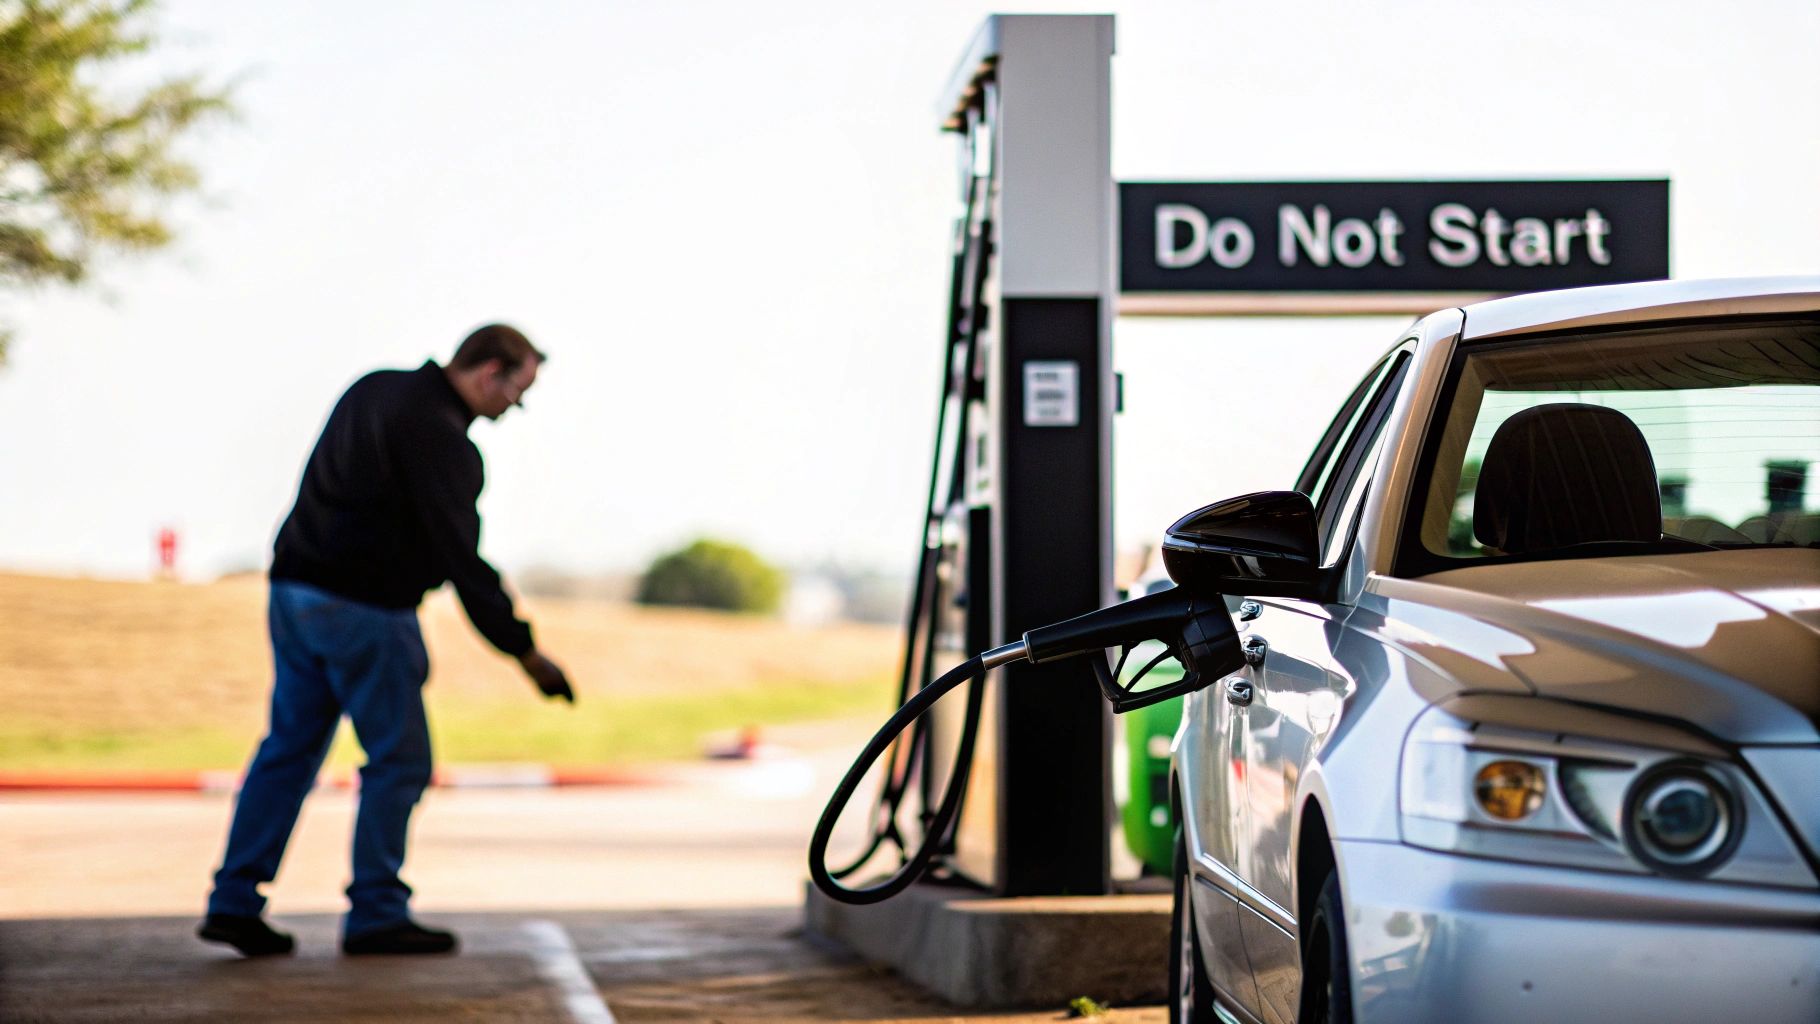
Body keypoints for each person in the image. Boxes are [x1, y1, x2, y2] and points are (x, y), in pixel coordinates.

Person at [199, 323, 575, 958]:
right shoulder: (444, 440)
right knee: (400, 762)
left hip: (293, 593)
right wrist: (526, 653)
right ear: (489, 372)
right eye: (517, 391)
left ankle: (233, 901)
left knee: (288, 752)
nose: (514, 408)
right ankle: (377, 911)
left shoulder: (375, 389)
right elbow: (465, 562)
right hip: (366, 611)